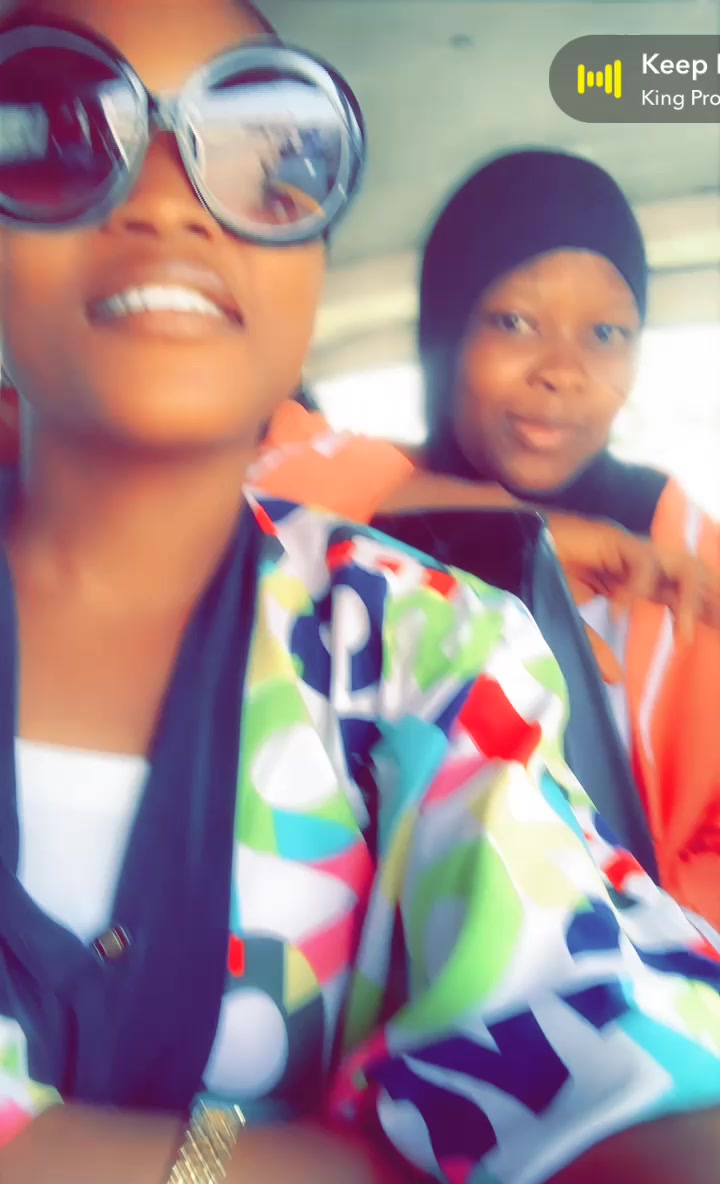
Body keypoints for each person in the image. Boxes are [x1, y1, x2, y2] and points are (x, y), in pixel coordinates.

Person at [3, 6, 720, 1184]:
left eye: (264, 149)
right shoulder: (378, 502)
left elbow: (615, 1039)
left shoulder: (438, 642)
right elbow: (310, 456)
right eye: (55, 134)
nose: (166, 200)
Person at [252, 151, 720, 927]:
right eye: (514, 322)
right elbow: (251, 478)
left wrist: (656, 930)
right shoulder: (352, 486)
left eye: (606, 333)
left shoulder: (676, 549)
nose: (563, 370)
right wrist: (481, 525)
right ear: (444, 332)